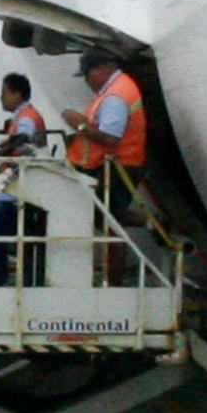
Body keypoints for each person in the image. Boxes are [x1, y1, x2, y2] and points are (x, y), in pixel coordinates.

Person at [64, 51, 152, 283]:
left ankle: (113, 282)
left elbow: (110, 137)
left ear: (104, 68)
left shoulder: (115, 96)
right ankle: (150, 222)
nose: (86, 81)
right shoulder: (116, 90)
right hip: (116, 165)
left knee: (111, 224)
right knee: (107, 217)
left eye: (88, 74)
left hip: (119, 166)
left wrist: (79, 124)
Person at [0, 72, 51, 287]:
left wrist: (3, 161)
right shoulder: (26, 116)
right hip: (25, 188)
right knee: (28, 238)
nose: (1, 98)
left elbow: (22, 149)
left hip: (19, 190)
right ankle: (30, 281)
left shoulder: (26, 119)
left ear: (17, 94)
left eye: (5, 93)